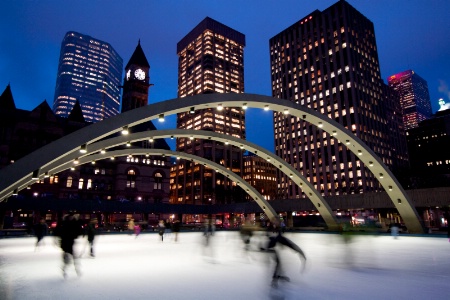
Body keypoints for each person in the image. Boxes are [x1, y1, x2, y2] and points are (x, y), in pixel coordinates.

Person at [261, 218, 307, 288]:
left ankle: (278, 276)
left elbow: (284, 241)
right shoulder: (271, 229)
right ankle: (275, 278)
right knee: (278, 263)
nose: (277, 223)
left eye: (278, 222)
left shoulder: (276, 230)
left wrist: (299, 251)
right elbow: (276, 239)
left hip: (271, 248)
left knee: (279, 263)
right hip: (270, 249)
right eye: (275, 221)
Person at [54, 212, 83, 278]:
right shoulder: (64, 222)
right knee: (68, 257)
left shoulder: (73, 222)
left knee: (74, 257)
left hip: (70, 242)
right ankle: (65, 269)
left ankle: (75, 269)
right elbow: (57, 231)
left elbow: (79, 230)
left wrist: (77, 220)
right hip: (65, 242)